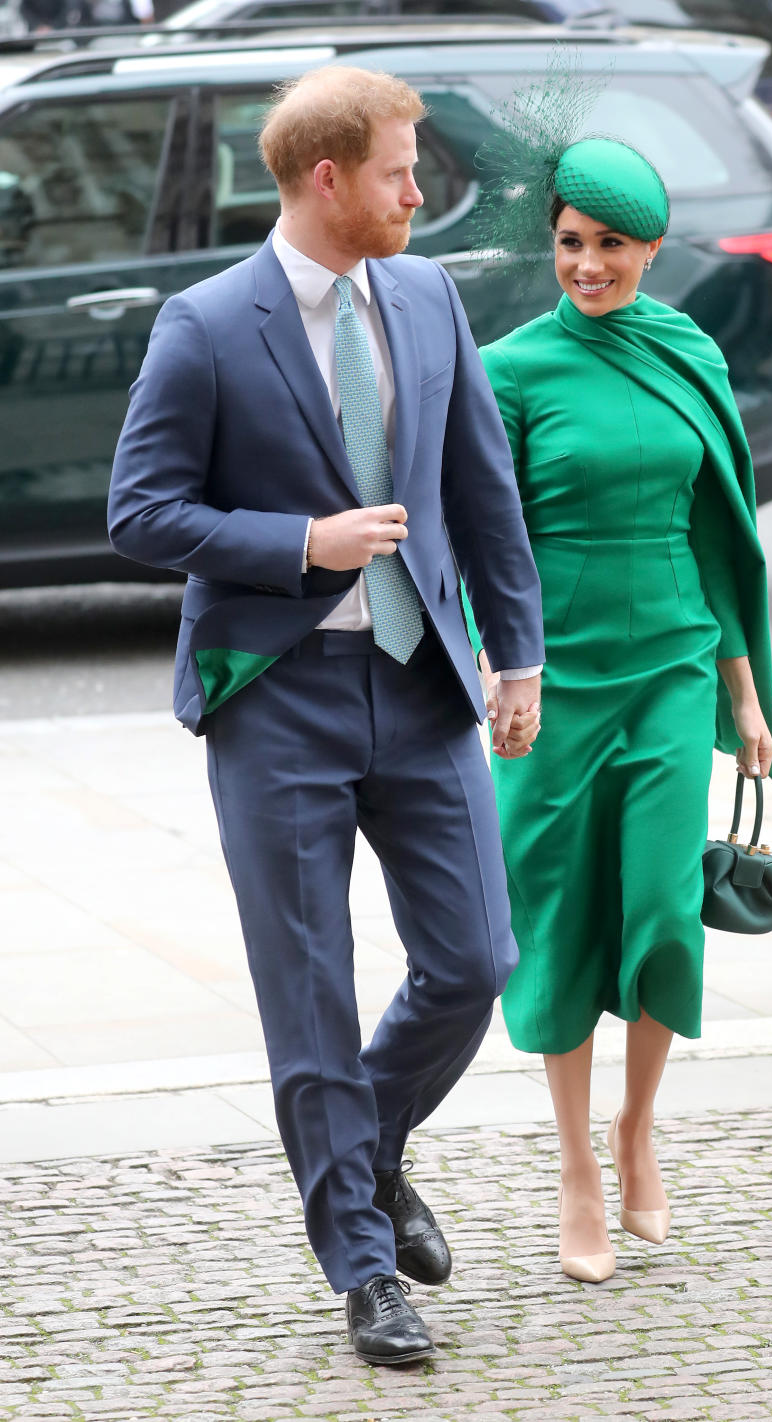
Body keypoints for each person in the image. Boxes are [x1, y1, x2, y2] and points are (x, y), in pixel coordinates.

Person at [108, 66, 544, 1364]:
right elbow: (142, 512)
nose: (423, 191)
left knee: (475, 960)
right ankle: (363, 1268)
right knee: (307, 990)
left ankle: (367, 1142)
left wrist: (514, 651)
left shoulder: (426, 294)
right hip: (275, 700)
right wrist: (304, 540)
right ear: (328, 178)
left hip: (422, 689)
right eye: (404, 169)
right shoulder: (204, 325)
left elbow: (482, 486)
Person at [472, 136, 772, 1283]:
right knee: (560, 917)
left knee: (663, 911)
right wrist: (497, 666)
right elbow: (488, 540)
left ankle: (637, 1130)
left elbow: (722, 532)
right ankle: (574, 1167)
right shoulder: (511, 370)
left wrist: (745, 692)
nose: (589, 265)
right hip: (556, 684)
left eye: (612, 244)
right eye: (571, 243)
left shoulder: (685, 349)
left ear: (652, 248)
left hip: (672, 665)